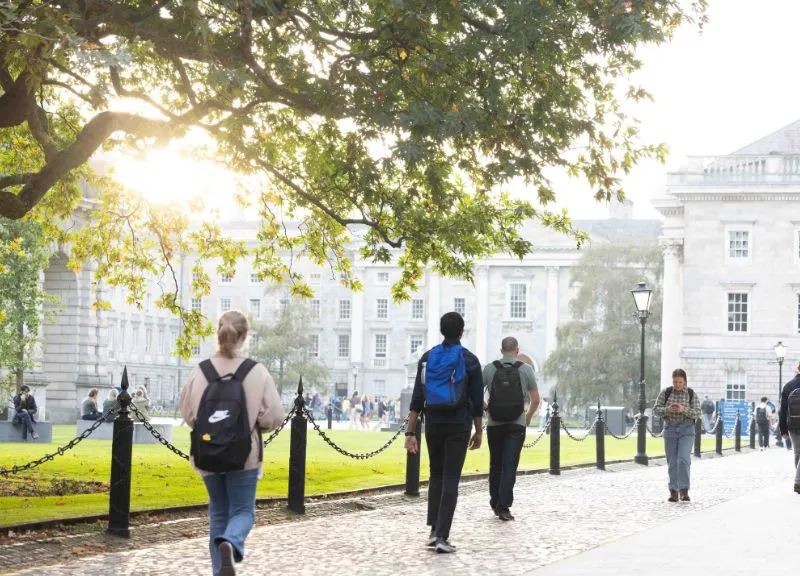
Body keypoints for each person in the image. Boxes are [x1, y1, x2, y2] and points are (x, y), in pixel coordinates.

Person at [180, 309, 284, 576]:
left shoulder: (200, 371)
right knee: (242, 512)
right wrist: (251, 422)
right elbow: (274, 416)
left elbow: (189, 414)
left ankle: (219, 570)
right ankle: (231, 541)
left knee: (217, 514)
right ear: (245, 335)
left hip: (208, 452)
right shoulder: (256, 372)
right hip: (244, 453)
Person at [405, 312, 483, 554]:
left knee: (436, 475)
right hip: (459, 424)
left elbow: (418, 398)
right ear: (461, 332)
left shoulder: (428, 358)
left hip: (434, 423)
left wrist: (410, 432)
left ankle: (433, 531)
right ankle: (442, 536)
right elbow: (477, 401)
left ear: (442, 331)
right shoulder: (470, 360)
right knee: (451, 477)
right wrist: (479, 431)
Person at [482, 337, 539, 521]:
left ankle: (495, 501)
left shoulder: (490, 369)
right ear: (517, 350)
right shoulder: (526, 369)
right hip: (517, 423)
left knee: (495, 464)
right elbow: (535, 399)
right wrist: (528, 416)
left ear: (501, 350)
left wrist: (486, 407)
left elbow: (474, 393)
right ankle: (504, 506)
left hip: (494, 423)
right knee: (510, 465)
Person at [652, 368, 701, 502]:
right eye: (675, 382)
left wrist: (683, 409)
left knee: (683, 458)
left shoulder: (691, 394)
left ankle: (684, 490)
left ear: (685, 381)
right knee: (672, 461)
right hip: (670, 428)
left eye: (680, 382)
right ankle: (673, 491)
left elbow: (697, 413)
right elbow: (656, 410)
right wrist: (668, 409)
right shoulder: (666, 392)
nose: (677, 385)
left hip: (687, 429)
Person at [778, 361, 800, 494]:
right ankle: (798, 481)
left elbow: (783, 410)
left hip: (793, 425)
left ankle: (798, 480)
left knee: (797, 452)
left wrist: (783, 429)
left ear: (797, 369)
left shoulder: (788, 386)